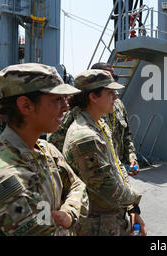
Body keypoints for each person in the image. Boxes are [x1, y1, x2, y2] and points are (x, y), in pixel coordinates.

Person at [0, 63, 89, 236]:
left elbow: (78, 185)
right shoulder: (2, 178)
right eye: (57, 99)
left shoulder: (46, 150)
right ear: (26, 106)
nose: (66, 107)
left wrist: (69, 212)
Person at [62, 69, 146, 236]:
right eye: (110, 93)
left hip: (111, 217)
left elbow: (115, 164)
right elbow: (109, 189)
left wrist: (132, 208)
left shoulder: (99, 124)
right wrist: (136, 198)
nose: (115, 97)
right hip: (97, 224)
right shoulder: (86, 136)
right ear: (93, 97)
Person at [90, 62, 139, 176]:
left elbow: (126, 135)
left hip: (118, 171)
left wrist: (131, 158)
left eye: (114, 77)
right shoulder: (82, 110)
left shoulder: (118, 104)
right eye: (106, 77)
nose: (111, 80)